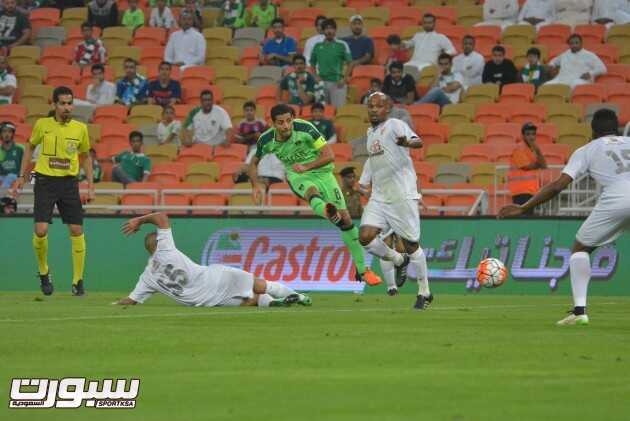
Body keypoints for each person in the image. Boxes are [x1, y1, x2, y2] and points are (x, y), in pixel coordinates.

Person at [499, 109, 630, 325]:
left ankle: (579, 311)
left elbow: (558, 185)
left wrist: (524, 207)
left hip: (617, 199)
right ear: (616, 127)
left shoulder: (587, 149)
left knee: (580, 249)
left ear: (593, 131)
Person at [248, 103, 382, 286]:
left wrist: (307, 166)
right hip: (297, 175)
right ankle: (328, 212)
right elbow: (252, 163)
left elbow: (329, 155)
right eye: (280, 122)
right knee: (312, 192)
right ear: (273, 123)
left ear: (293, 119)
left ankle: (362, 271)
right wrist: (256, 184)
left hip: (324, 173)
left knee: (347, 221)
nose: (285, 126)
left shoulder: (306, 129)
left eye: (289, 121)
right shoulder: (266, 140)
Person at [115, 212, 312, 307]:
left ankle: (276, 304)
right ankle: (299, 297)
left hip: (207, 300)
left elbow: (130, 300)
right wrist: (139, 220)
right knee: (260, 286)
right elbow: (161, 217)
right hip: (217, 278)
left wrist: (115, 305)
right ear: (158, 243)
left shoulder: (147, 277)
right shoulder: (165, 248)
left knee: (251, 301)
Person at [13, 86, 94, 297]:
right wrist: (23, 177)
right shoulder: (42, 125)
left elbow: (85, 156)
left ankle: (78, 281)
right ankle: (43, 272)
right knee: (40, 231)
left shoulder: (80, 128)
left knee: (76, 230)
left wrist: (91, 184)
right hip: (44, 181)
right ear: (54, 104)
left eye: (70, 103)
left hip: (69, 183)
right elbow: (29, 148)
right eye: (63, 103)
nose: (67, 107)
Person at [358, 92, 432, 310]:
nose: (373, 109)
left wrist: (407, 141)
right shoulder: (370, 133)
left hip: (401, 194)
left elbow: (418, 142)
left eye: (378, 106)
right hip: (380, 196)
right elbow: (373, 162)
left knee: (411, 245)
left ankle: (424, 292)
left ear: (387, 109)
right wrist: (365, 182)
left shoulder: (395, 124)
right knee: (365, 237)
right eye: (370, 106)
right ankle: (399, 261)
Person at [310, 18, 352, 109]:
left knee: (338, 111)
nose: (329, 31)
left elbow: (350, 63)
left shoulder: (342, 45)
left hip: (337, 83)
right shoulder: (317, 46)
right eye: (327, 28)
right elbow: (312, 63)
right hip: (321, 83)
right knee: (322, 111)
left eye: (332, 28)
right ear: (323, 30)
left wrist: (344, 79)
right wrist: (315, 76)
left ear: (335, 30)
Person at [506, 123, 547, 213]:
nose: (531, 137)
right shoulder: (519, 148)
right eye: (528, 134)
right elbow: (527, 167)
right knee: (523, 220)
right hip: (521, 191)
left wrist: (538, 151)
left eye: (533, 134)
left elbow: (544, 166)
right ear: (523, 136)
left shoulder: (534, 149)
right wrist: (538, 163)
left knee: (527, 219)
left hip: (531, 191)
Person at [0, 121, 22, 188]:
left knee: (10, 176)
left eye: (9, 132)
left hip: (16, 177)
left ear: (13, 134)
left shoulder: (20, 149)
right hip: (2, 176)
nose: (7, 134)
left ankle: (3, 196)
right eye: (4, 131)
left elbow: (25, 166)